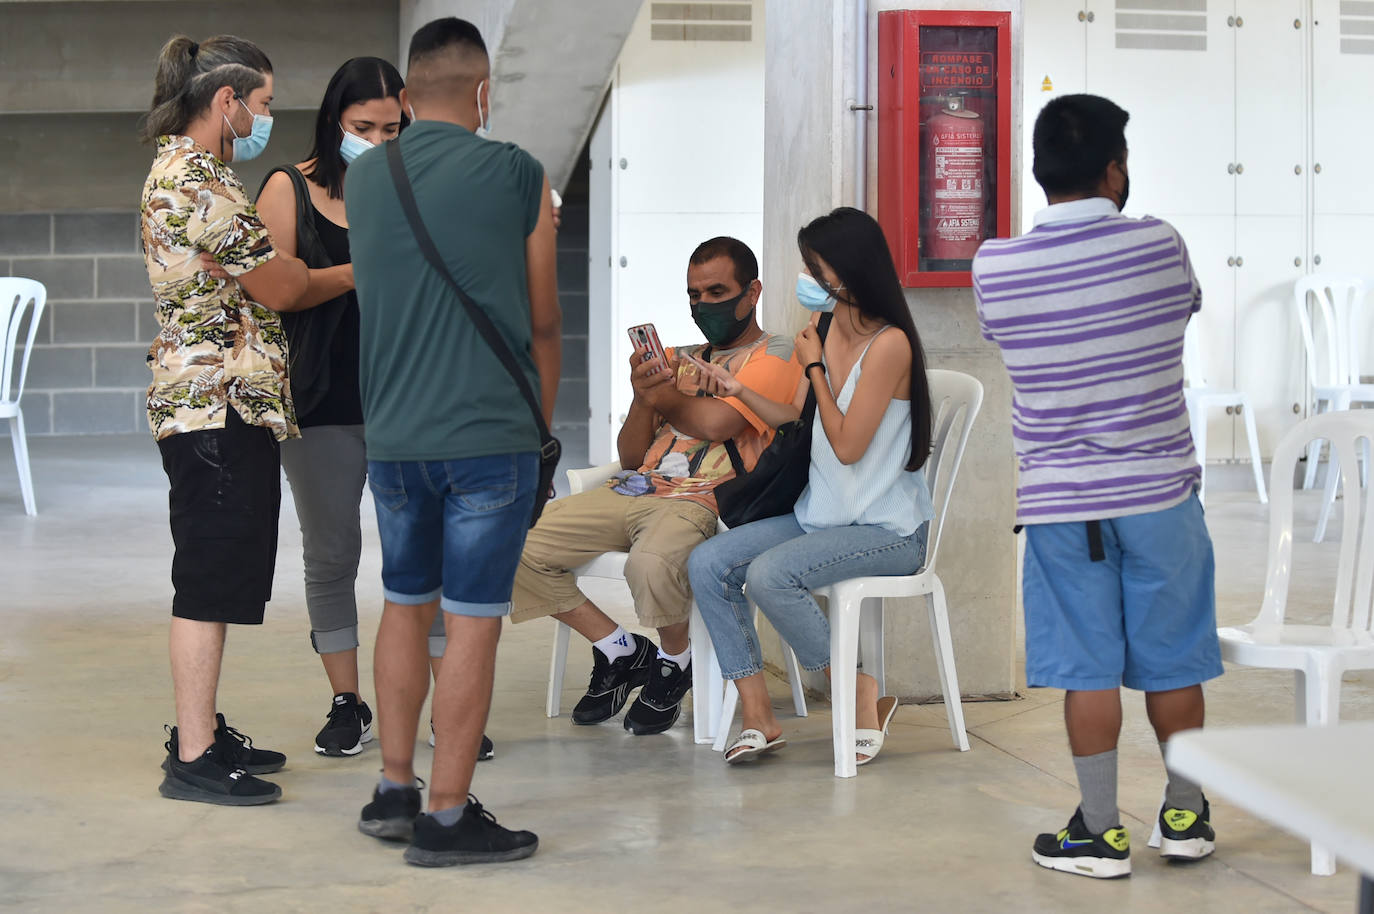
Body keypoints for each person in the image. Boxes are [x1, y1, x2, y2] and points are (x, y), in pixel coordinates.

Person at [972, 93, 1221, 879]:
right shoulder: (1159, 246)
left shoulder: (996, 265)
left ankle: (1100, 833)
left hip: (1062, 505)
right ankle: (1184, 815)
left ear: (1039, 173)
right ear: (1116, 168)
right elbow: (1186, 309)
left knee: (1086, 667)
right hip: (1161, 494)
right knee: (1173, 659)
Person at [343, 17, 559, 866]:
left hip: (393, 438)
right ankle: (446, 814)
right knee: (471, 622)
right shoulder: (515, 173)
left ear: (403, 94)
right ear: (482, 93)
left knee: (404, 602)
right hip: (484, 437)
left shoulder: (367, 182)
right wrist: (537, 427)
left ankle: (395, 787)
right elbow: (543, 317)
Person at [511, 237, 803, 736]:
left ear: (752, 292)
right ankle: (620, 650)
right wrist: (644, 398)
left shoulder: (776, 353)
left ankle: (675, 662)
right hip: (635, 489)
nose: (703, 305)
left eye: (717, 291)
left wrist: (663, 393)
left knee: (650, 566)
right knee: (509, 541)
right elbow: (630, 456)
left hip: (705, 501)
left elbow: (717, 425)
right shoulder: (676, 358)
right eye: (694, 295)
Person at [254, 57, 453, 759]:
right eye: (361, 127)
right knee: (333, 550)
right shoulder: (288, 187)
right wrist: (360, 271)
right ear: (334, 121)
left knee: (425, 551)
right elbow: (275, 288)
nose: (377, 138)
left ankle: (446, 711)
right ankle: (347, 701)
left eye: (391, 127)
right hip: (322, 399)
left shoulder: (416, 186)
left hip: (410, 394)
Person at [686, 207, 933, 766]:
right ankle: (759, 715)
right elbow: (796, 419)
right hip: (820, 514)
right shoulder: (820, 329)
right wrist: (736, 389)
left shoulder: (890, 344)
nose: (808, 281)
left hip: (885, 526)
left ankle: (858, 690)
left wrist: (815, 366)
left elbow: (847, 445)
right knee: (708, 563)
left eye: (815, 268)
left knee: (774, 574)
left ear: (846, 271)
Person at [138, 34, 310, 805]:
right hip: (212, 403)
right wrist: (361, 266)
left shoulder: (203, 172)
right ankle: (196, 758)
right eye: (263, 104)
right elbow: (280, 285)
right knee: (207, 577)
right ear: (227, 101)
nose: (266, 119)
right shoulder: (197, 180)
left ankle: (200, 727)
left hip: (223, 400)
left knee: (221, 568)